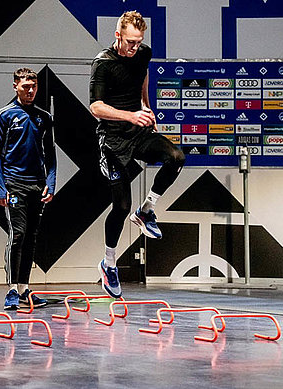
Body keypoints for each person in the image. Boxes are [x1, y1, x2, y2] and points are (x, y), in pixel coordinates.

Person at [89, 11, 185, 298]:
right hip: (113, 140)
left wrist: (145, 105)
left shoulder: (143, 54)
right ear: (118, 35)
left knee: (176, 157)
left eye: (138, 41)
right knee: (120, 206)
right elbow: (96, 107)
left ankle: (146, 211)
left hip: (137, 131)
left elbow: (143, 75)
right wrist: (130, 115)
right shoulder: (103, 63)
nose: (134, 47)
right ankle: (108, 264)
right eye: (130, 41)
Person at [0, 68, 57, 310]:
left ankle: (24, 289)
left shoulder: (44, 117)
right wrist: (0, 188)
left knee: (31, 237)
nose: (30, 91)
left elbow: (50, 153)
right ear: (15, 86)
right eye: (25, 86)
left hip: (37, 185)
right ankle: (10, 290)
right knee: (17, 234)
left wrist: (51, 182)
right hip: (13, 182)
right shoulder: (4, 115)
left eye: (34, 86)